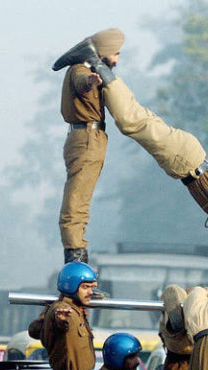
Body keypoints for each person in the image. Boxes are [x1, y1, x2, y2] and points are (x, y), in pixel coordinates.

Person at [52, 37, 208, 315]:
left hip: (186, 158)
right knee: (130, 121)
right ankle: (97, 62)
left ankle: (99, 64)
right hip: (185, 158)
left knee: (136, 120)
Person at [57, 28, 124, 264]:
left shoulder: (87, 68)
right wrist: (91, 81)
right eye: (115, 53)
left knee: (81, 204)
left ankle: (78, 264)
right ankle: (76, 265)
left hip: (89, 137)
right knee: (76, 205)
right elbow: (82, 83)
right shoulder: (81, 70)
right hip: (86, 137)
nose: (116, 60)